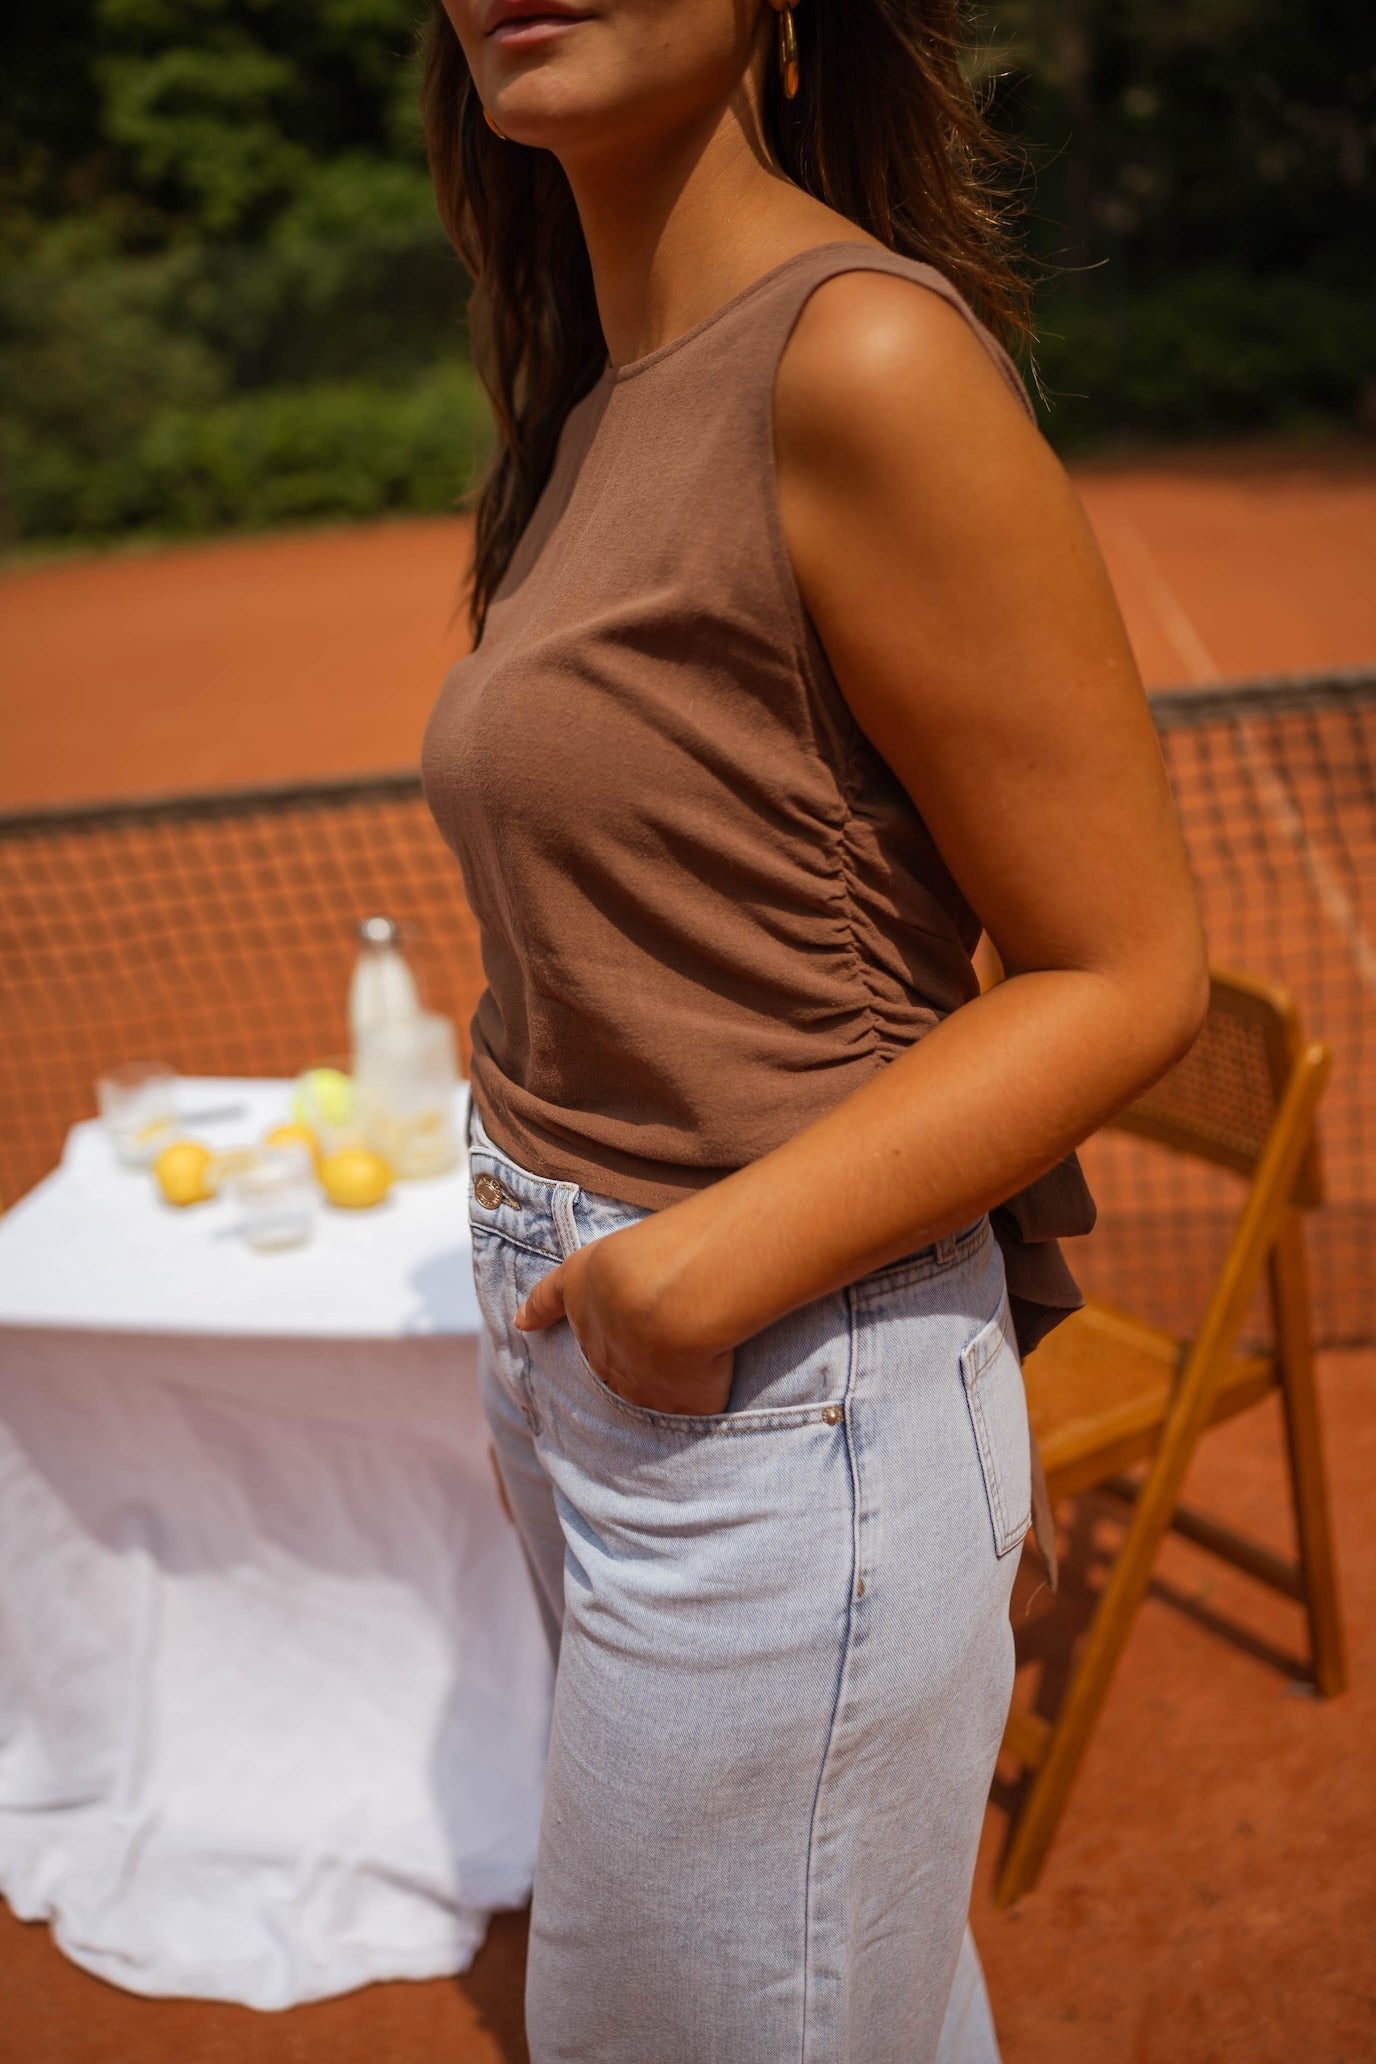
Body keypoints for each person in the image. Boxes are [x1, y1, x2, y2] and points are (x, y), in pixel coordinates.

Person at [418, 1, 1210, 2057]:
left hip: (775, 1384)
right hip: (624, 1349)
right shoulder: (594, 401)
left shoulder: (859, 355)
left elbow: (1120, 965)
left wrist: (692, 1280)